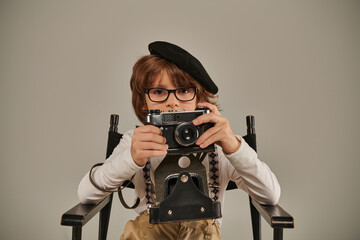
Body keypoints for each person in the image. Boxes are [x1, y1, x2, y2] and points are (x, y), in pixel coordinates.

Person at [78, 41, 281, 240]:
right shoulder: (136, 140)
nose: (172, 102)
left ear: (199, 99)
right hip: (150, 231)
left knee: (199, 225)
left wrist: (235, 148)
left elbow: (270, 196)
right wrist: (130, 159)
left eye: (184, 90)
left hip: (201, 231)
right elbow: (86, 194)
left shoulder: (218, 142)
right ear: (143, 103)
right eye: (159, 92)